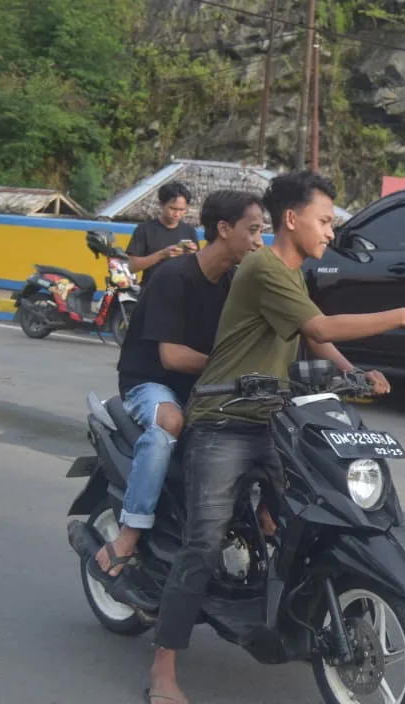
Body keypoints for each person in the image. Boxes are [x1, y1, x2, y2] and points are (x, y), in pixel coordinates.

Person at [145, 171, 405, 704]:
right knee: (203, 543)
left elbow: (311, 335)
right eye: (326, 220)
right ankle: (163, 666)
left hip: (271, 418)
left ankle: (280, 612)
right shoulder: (264, 266)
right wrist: (404, 315)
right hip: (223, 420)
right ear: (293, 219)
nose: (331, 232)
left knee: (301, 513)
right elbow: (322, 323)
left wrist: (352, 371)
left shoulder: (289, 271)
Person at [86, 191, 267, 609]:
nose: (260, 242)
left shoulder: (233, 282)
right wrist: (233, 371)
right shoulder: (175, 277)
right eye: (253, 230)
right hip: (151, 381)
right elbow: (171, 356)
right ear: (224, 230)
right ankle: (129, 534)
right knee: (169, 423)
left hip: (205, 386)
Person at [126, 182, 200, 287]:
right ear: (161, 204)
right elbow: (131, 266)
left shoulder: (189, 231)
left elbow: (197, 269)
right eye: (173, 208)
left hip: (181, 291)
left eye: (182, 210)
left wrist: (193, 255)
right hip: (151, 290)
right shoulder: (145, 229)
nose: (177, 214)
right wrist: (162, 254)